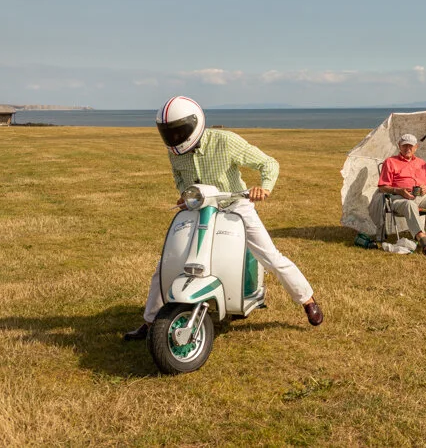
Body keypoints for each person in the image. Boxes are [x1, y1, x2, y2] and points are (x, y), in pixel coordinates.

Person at [124, 96, 323, 341]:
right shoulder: (175, 153)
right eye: (168, 132)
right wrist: (184, 195)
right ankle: (151, 321)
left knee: (270, 256)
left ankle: (307, 300)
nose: (174, 138)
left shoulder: (225, 141)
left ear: (194, 123)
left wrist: (265, 187)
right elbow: (179, 177)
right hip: (199, 207)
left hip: (235, 204)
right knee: (168, 261)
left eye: (178, 131)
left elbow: (267, 163)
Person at [378, 133, 426, 257]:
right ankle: (425, 243)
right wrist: (398, 191)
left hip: (423, 197)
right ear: (399, 146)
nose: (408, 149)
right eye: (404, 146)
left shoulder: (422, 163)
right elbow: (382, 187)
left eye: (411, 146)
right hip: (400, 199)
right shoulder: (390, 162)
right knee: (409, 204)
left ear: (416, 147)